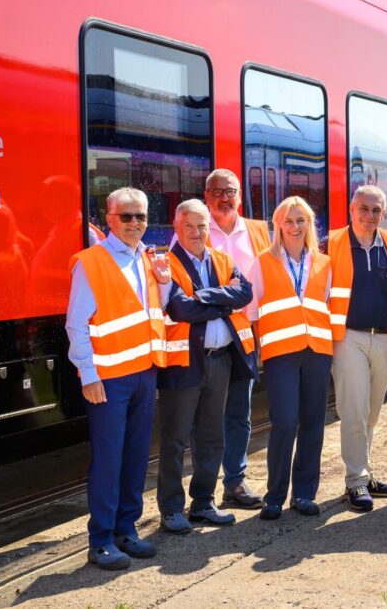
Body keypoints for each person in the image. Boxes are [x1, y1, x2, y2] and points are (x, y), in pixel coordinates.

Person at [66, 187, 172, 571]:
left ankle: (127, 529)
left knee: (136, 456)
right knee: (108, 460)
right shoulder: (90, 262)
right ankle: (100, 541)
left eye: (141, 216)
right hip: (109, 379)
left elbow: (154, 312)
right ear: (109, 219)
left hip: (143, 373)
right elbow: (76, 325)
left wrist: (163, 282)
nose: (134, 224)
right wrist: (88, 375)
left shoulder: (147, 258)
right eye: (126, 216)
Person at [156, 200, 255, 534]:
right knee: (175, 438)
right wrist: (220, 302)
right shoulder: (166, 262)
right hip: (184, 363)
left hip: (221, 360)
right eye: (190, 226)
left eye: (202, 226)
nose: (197, 233)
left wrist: (204, 297)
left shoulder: (222, 259)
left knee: (212, 437)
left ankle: (202, 503)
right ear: (176, 226)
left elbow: (244, 292)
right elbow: (180, 309)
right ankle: (170, 509)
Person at [245, 197, 333, 520]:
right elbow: (251, 311)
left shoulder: (323, 263)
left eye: (301, 221)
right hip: (280, 354)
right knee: (284, 422)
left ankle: (305, 494)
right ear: (278, 225)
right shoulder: (262, 262)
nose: (295, 227)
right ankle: (275, 496)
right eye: (288, 221)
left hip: (317, 353)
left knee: (313, 423)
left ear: (309, 225)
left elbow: (326, 305)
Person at [328, 186, 387, 512]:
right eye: (364, 208)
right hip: (349, 337)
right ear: (351, 208)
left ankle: (367, 472)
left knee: (372, 412)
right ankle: (356, 481)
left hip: (386, 338)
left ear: (384, 213)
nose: (369, 215)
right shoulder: (331, 244)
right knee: (355, 410)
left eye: (376, 210)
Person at [204, 168, 271, 509]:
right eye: (217, 191)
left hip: (246, 339)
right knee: (207, 416)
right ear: (206, 197)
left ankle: (235, 483)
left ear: (240, 196)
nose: (224, 197)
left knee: (239, 414)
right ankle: (203, 493)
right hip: (210, 337)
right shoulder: (196, 227)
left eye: (230, 190)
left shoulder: (259, 230)